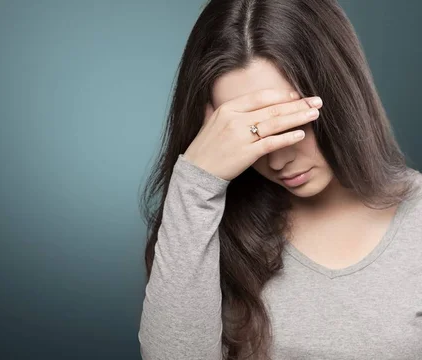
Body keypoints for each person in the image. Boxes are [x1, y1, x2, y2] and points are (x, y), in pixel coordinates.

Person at [137, 0, 422, 359]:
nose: (278, 158)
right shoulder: (206, 222)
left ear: (342, 94)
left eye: (292, 123)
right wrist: (195, 183)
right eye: (248, 132)